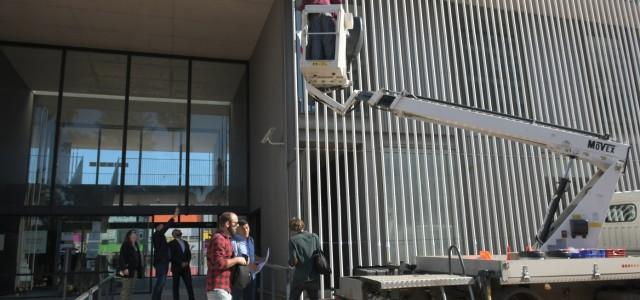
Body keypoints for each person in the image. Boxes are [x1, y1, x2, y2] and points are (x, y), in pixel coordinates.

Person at [206, 212, 248, 300]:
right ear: (227, 224)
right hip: (218, 289)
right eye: (235, 223)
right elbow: (219, 263)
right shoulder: (219, 238)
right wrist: (237, 260)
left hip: (224, 288)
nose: (237, 226)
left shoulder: (226, 239)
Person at [288, 218, 322, 300]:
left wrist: (290, 262)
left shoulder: (293, 240)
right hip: (313, 276)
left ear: (293, 228)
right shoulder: (315, 237)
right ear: (303, 225)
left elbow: (294, 261)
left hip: (300, 277)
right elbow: (320, 255)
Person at [151, 207, 180, 300]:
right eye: (161, 226)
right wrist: (174, 216)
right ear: (157, 228)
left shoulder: (161, 237)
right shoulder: (157, 235)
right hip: (161, 263)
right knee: (160, 282)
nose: (163, 226)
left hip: (164, 263)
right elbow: (166, 227)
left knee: (162, 283)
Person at [231, 219, 260, 300]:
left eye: (247, 228)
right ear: (238, 230)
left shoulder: (251, 240)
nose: (246, 230)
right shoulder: (234, 241)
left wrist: (260, 260)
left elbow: (251, 255)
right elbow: (234, 257)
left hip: (252, 276)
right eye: (243, 228)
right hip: (240, 275)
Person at [168, 229, 195, 300]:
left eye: (179, 232)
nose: (179, 233)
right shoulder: (171, 243)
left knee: (189, 285)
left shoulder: (185, 242)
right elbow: (171, 256)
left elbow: (189, 254)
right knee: (176, 286)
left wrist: (187, 262)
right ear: (173, 235)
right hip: (176, 268)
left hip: (186, 268)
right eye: (177, 232)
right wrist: (180, 263)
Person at [119, 230, 144, 300]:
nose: (134, 236)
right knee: (125, 289)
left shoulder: (136, 245)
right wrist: (124, 268)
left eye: (135, 234)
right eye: (133, 234)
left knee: (131, 289)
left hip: (134, 271)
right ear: (129, 236)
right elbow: (121, 257)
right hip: (127, 270)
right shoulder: (126, 244)